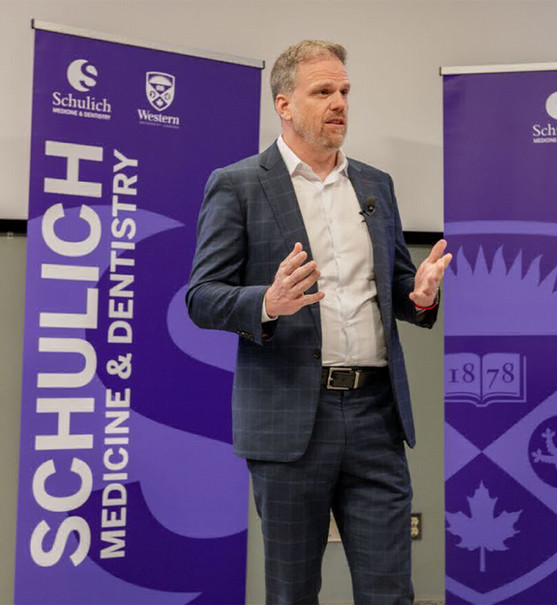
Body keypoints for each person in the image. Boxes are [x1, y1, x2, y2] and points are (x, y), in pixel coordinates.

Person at [186, 40, 451, 604]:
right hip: (289, 420)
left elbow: (397, 286)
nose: (340, 104)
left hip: (376, 417)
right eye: (323, 91)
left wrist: (420, 295)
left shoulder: (375, 185)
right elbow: (202, 297)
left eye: (345, 92)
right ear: (284, 105)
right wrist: (267, 302)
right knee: (292, 592)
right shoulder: (237, 185)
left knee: (389, 592)